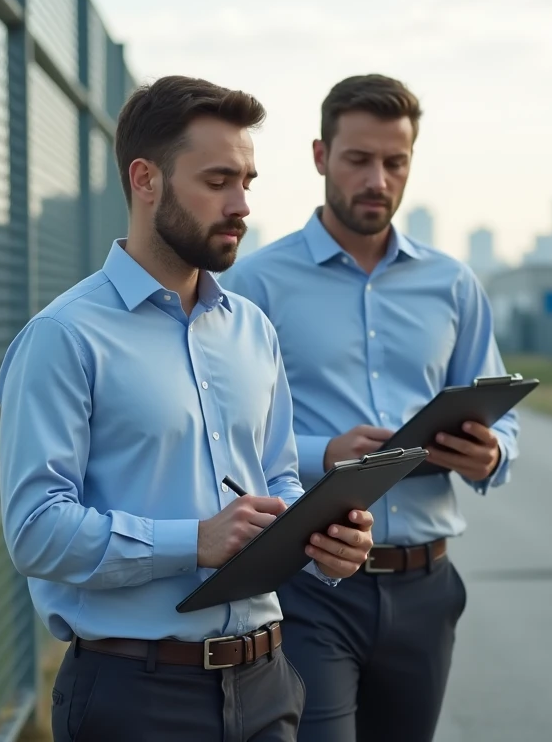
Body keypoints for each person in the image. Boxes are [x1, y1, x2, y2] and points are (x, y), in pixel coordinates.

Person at [0, 75, 376, 742]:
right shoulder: (64, 338)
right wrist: (193, 541)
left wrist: (321, 544)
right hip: (137, 699)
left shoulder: (253, 331)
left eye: (248, 182)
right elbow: (34, 529)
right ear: (146, 181)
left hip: (268, 684)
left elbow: (277, 481)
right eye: (218, 181)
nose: (241, 205)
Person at [220, 73, 520, 742]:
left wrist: (492, 452)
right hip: (311, 584)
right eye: (358, 160)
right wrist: (323, 453)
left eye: (395, 162)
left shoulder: (453, 284)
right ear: (321, 156)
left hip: (426, 585)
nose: (378, 179)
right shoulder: (256, 285)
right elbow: (223, 435)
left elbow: (506, 418)